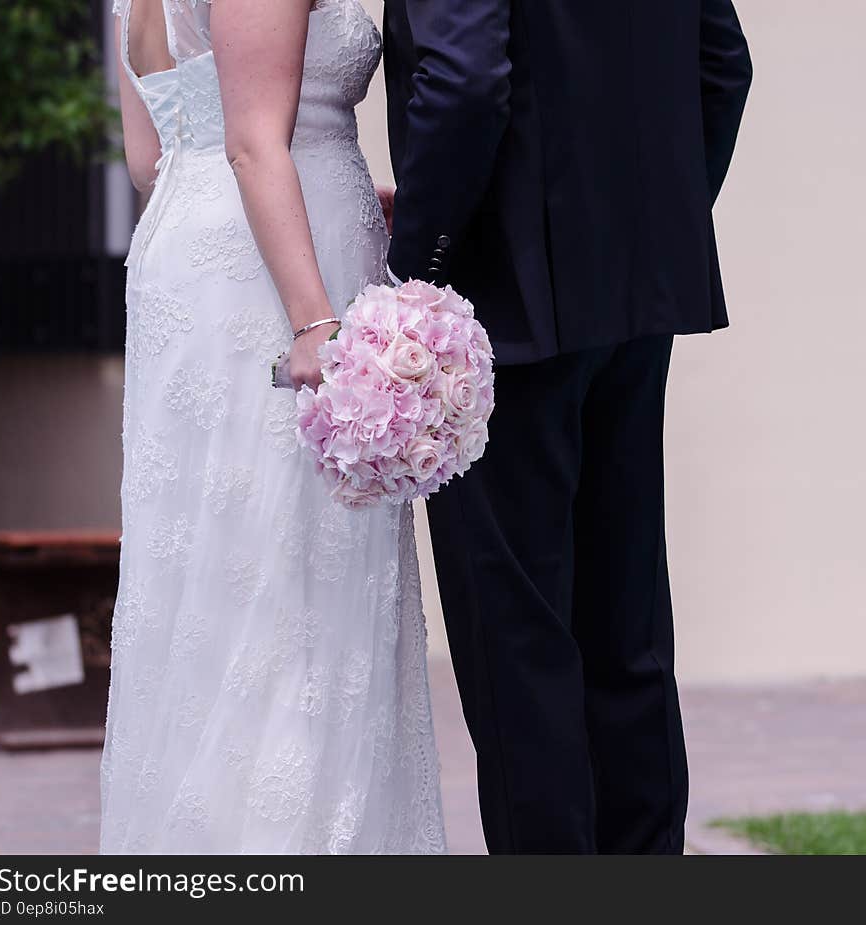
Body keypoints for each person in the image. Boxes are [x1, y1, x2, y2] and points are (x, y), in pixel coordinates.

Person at [383, 0, 752, 853]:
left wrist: (416, 272)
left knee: (517, 640)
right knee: (626, 622)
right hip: (638, 293)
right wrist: (653, 225)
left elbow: (465, 79)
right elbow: (723, 63)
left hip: (499, 310)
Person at [100, 0, 446, 855]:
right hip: (275, 283)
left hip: (194, 257)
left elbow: (151, 158)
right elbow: (257, 142)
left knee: (216, 576)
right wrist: (315, 322)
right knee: (290, 580)